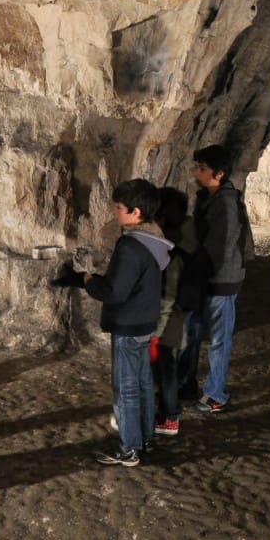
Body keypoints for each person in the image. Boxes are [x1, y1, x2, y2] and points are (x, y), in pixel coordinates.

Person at [53, 179, 173, 466]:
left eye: (119, 208)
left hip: (128, 325)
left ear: (136, 211)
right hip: (145, 322)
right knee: (143, 383)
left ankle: (129, 448)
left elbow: (115, 292)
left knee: (127, 388)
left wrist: (87, 280)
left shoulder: (131, 245)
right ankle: (144, 439)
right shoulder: (155, 240)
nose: (115, 212)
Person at [178, 144, 252, 413]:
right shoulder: (208, 197)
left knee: (219, 337)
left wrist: (198, 271)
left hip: (220, 280)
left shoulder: (226, 203)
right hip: (204, 278)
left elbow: (222, 245)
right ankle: (186, 383)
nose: (197, 173)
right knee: (193, 332)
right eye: (197, 167)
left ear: (219, 174)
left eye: (202, 169)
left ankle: (215, 393)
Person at [152, 187, 201, 437]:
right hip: (179, 313)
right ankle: (168, 414)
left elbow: (168, 294)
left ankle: (169, 416)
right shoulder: (185, 237)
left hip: (170, 318)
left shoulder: (172, 251)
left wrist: (156, 330)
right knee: (168, 367)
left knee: (165, 369)